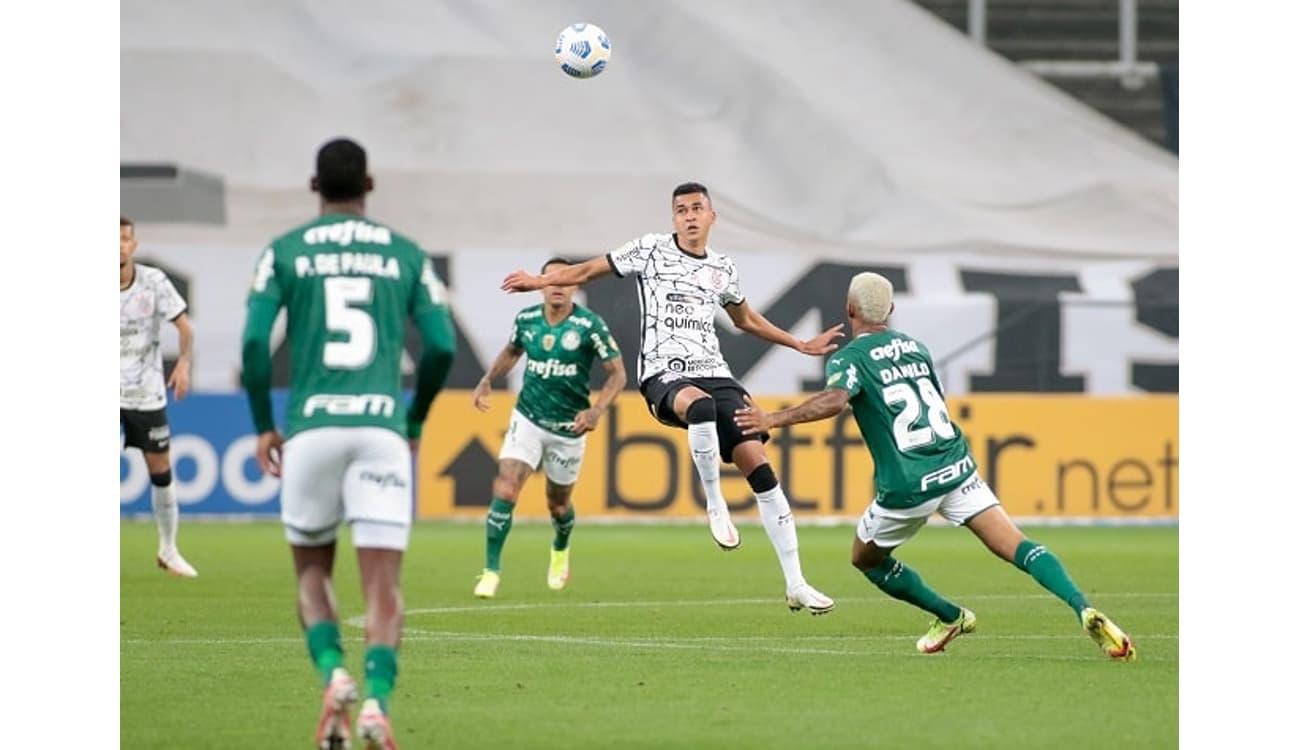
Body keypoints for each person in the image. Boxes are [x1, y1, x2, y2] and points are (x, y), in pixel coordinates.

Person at [733, 271, 1137, 660]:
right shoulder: (916, 347)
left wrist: (772, 419)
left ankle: (950, 616)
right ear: (889, 309)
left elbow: (836, 401)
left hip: (909, 484)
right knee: (1017, 545)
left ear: (849, 309)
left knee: (865, 559)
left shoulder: (850, 357)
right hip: (956, 466)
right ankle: (1082, 607)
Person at [501, 182, 841, 614]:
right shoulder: (651, 250)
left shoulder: (722, 268)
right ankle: (715, 503)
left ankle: (796, 583)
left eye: (697, 208)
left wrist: (799, 344)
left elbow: (746, 319)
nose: (690, 216)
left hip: (717, 373)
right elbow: (587, 271)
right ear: (673, 218)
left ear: (712, 216)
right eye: (681, 210)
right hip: (665, 374)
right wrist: (540, 280)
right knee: (698, 407)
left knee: (759, 465)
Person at [241, 137, 457, 750]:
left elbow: (256, 344)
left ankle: (335, 676)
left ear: (315, 187)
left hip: (311, 428)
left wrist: (263, 422)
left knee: (312, 570)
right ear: (370, 186)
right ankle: (377, 705)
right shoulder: (406, 253)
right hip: (380, 431)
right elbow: (440, 346)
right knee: (383, 586)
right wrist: (413, 422)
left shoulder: (283, 251)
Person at [470, 258, 627, 599]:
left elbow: (618, 374)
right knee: (508, 487)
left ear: (576, 285)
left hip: (569, 427)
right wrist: (486, 380)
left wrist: (596, 409)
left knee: (557, 505)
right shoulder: (526, 319)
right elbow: (512, 351)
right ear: (540, 283)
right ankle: (491, 571)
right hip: (527, 418)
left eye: (565, 278)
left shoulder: (590, 326)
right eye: (549, 278)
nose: (557, 284)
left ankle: (559, 548)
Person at [120, 216, 199, 578]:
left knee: (161, 472)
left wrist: (183, 363)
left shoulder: (153, 282)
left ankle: (168, 550)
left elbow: (185, 327)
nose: (118, 246)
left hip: (146, 392)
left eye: (124, 239)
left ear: (134, 245)